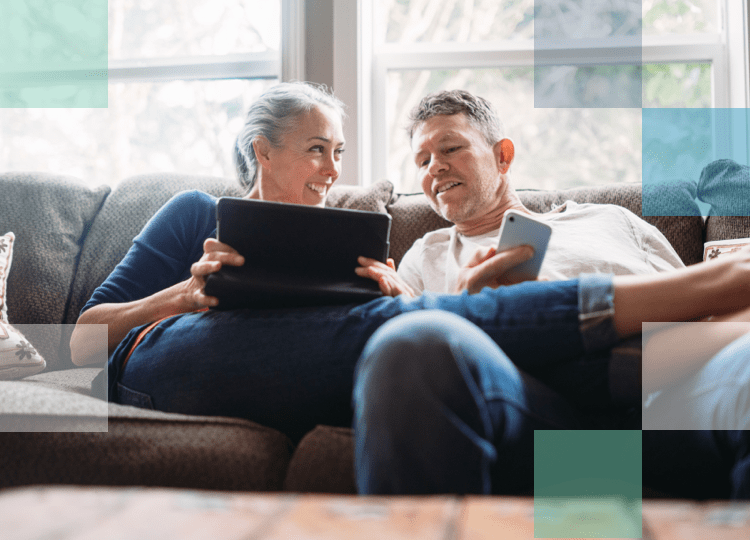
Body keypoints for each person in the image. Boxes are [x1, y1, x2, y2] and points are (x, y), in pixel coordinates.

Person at [71, 82, 750, 450]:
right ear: (263, 151)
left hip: (314, 364)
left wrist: (389, 299)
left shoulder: (611, 222)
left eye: (339, 153)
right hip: (174, 359)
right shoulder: (196, 212)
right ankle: (691, 305)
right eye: (317, 149)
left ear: (503, 154)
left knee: (404, 336)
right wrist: (185, 294)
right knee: (410, 333)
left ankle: (640, 380)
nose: (335, 170)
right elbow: (81, 340)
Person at [352, 89, 750, 497]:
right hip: (541, 426)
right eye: (422, 161)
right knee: (413, 344)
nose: (434, 167)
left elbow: (701, 320)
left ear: (503, 156)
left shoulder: (613, 221)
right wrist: (443, 310)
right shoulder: (426, 255)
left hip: (662, 412)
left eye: (450, 147)